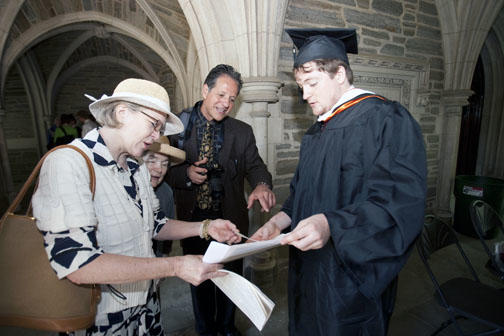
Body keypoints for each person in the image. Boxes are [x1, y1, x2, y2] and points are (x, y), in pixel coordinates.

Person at [250, 28, 427, 335]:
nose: (305, 95)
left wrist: (332, 224)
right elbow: (300, 196)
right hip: (308, 269)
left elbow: (399, 205)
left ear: (340, 73)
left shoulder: (386, 120)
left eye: (312, 83)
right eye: (301, 86)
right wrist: (278, 222)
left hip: (349, 279)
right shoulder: (316, 133)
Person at [32, 78, 242, 336]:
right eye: (153, 125)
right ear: (122, 113)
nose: (157, 136)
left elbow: (154, 223)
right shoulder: (68, 163)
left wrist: (206, 227)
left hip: (147, 309)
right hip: (100, 320)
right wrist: (176, 266)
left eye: (161, 128)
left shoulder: (136, 167)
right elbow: (78, 264)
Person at [168, 64, 276, 336]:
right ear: (205, 90)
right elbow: (161, 170)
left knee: (231, 278)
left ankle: (227, 327)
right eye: (221, 95)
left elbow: (256, 167)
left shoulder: (242, 131)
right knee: (200, 279)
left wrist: (262, 185)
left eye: (232, 98)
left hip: (230, 220)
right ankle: (205, 329)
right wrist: (187, 174)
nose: (226, 103)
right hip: (192, 221)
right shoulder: (177, 127)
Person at [144, 136, 186, 256]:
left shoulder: (165, 191)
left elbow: (166, 230)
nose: (159, 169)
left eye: (164, 164)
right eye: (152, 161)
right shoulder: (122, 190)